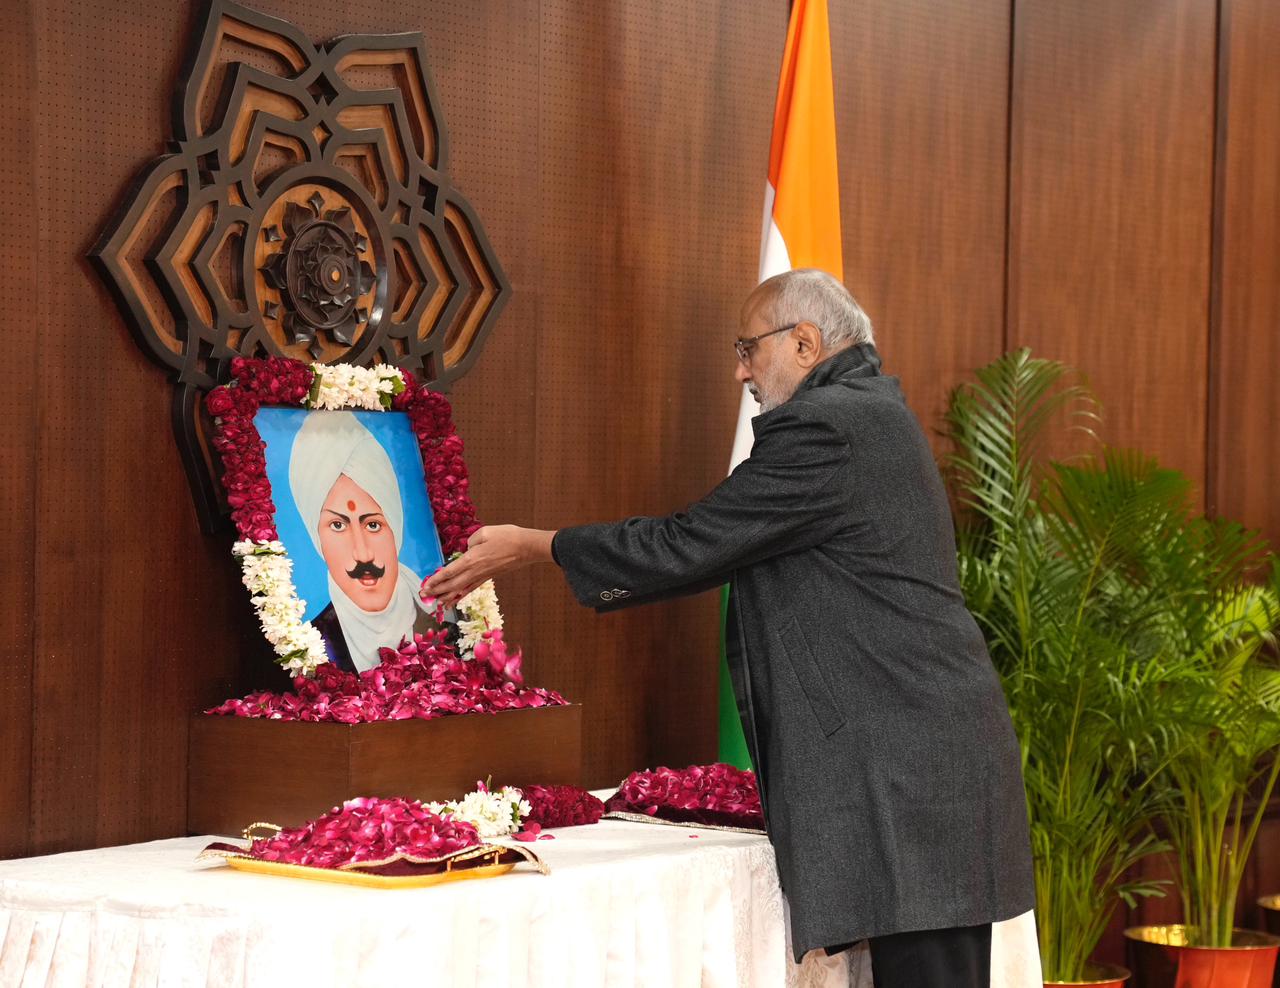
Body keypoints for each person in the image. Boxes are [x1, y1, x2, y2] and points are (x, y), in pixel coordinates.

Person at [422, 269, 1040, 987]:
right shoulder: (868, 410)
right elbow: (716, 550)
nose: (740, 371)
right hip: (919, 764)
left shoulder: (827, 426)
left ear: (805, 342)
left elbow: (690, 542)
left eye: (749, 348)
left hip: (909, 776)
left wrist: (535, 546)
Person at [288, 411, 437, 672]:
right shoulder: (311, 649)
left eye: (373, 525)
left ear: (396, 525)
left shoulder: (443, 625)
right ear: (316, 537)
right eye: (338, 525)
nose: (363, 554)